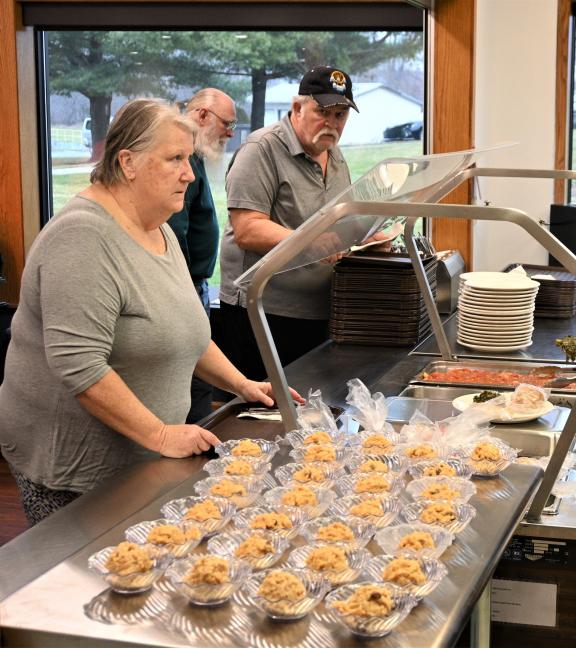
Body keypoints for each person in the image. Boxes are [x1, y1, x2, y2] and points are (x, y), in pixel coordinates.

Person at [0, 99, 300, 526]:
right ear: (128, 162)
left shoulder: (157, 226)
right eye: (175, 159)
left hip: (139, 455)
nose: (189, 174)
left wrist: (242, 384)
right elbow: (79, 365)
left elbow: (183, 330)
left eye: (189, 159)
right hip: (72, 468)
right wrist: (160, 434)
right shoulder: (82, 237)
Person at [216, 66, 359, 381]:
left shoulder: (335, 155)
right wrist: (309, 240)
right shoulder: (261, 149)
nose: (331, 124)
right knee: (259, 417)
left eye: (340, 116)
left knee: (310, 414)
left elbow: (341, 217)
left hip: (319, 311)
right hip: (262, 312)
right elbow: (248, 228)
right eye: (323, 112)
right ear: (297, 108)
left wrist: (367, 234)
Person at [169, 88, 237, 423]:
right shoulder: (185, 161)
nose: (231, 132)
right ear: (202, 116)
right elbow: (174, 231)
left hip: (195, 284)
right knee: (195, 383)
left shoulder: (193, 157)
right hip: (183, 288)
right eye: (227, 123)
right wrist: (180, 287)